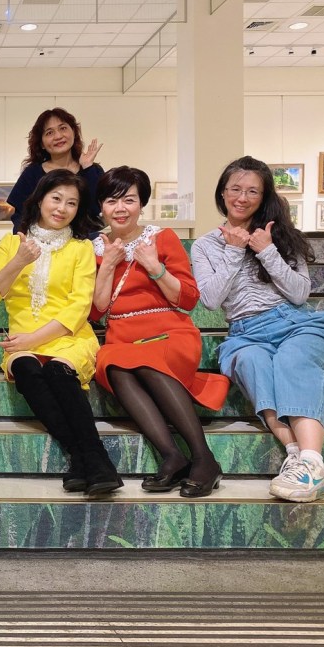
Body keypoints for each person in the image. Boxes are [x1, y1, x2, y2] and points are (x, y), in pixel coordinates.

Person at [191, 156, 324, 503]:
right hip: (245, 333)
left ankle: (312, 463)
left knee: (292, 360)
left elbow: (300, 293)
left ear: (264, 197)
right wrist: (233, 251)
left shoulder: (281, 236)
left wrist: (268, 251)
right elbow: (210, 300)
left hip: (295, 323)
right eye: (235, 189)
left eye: (252, 191)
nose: (242, 198)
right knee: (252, 363)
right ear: (223, 192)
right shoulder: (205, 245)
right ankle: (295, 454)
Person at [0, 170, 122, 497]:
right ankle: (90, 458)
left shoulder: (80, 248)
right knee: (27, 368)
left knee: (58, 371)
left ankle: (86, 458)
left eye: (72, 203)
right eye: (56, 198)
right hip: (23, 339)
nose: (62, 208)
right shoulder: (12, 243)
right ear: (40, 199)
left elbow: (79, 306)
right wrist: (18, 261)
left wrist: (33, 340)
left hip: (68, 335)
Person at [91, 166, 230, 498]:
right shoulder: (95, 248)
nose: (120, 208)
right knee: (114, 364)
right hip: (121, 335)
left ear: (142, 204)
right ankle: (172, 456)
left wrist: (154, 267)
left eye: (129, 200)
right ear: (101, 207)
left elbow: (188, 299)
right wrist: (108, 264)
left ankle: (204, 458)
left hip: (170, 332)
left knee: (144, 360)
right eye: (112, 201)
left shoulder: (162, 238)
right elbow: (96, 311)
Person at [7, 107, 103, 232]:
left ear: (74, 132)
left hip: (84, 241)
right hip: (41, 242)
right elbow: (21, 216)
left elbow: (98, 210)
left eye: (63, 128)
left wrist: (88, 168)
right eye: (49, 133)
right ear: (42, 143)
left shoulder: (92, 170)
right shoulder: (32, 173)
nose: (58, 136)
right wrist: (23, 239)